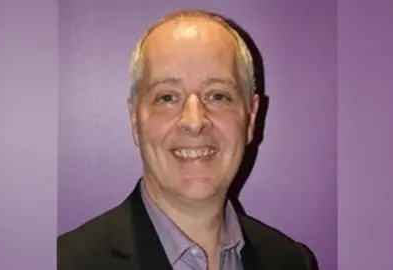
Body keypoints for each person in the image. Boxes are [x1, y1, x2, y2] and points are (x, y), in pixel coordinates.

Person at [58, 9, 318, 270]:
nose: (194, 122)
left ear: (250, 119)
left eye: (218, 96)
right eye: (167, 97)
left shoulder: (292, 262)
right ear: (135, 121)